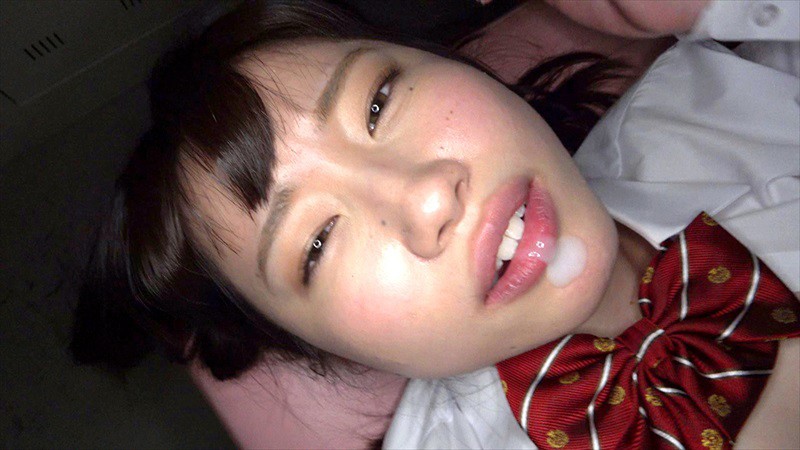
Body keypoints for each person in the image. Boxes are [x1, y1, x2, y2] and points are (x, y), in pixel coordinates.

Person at [70, 0, 799, 448]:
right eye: (316, 245)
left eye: (378, 103)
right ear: (327, 350)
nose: (426, 199)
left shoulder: (723, 97)